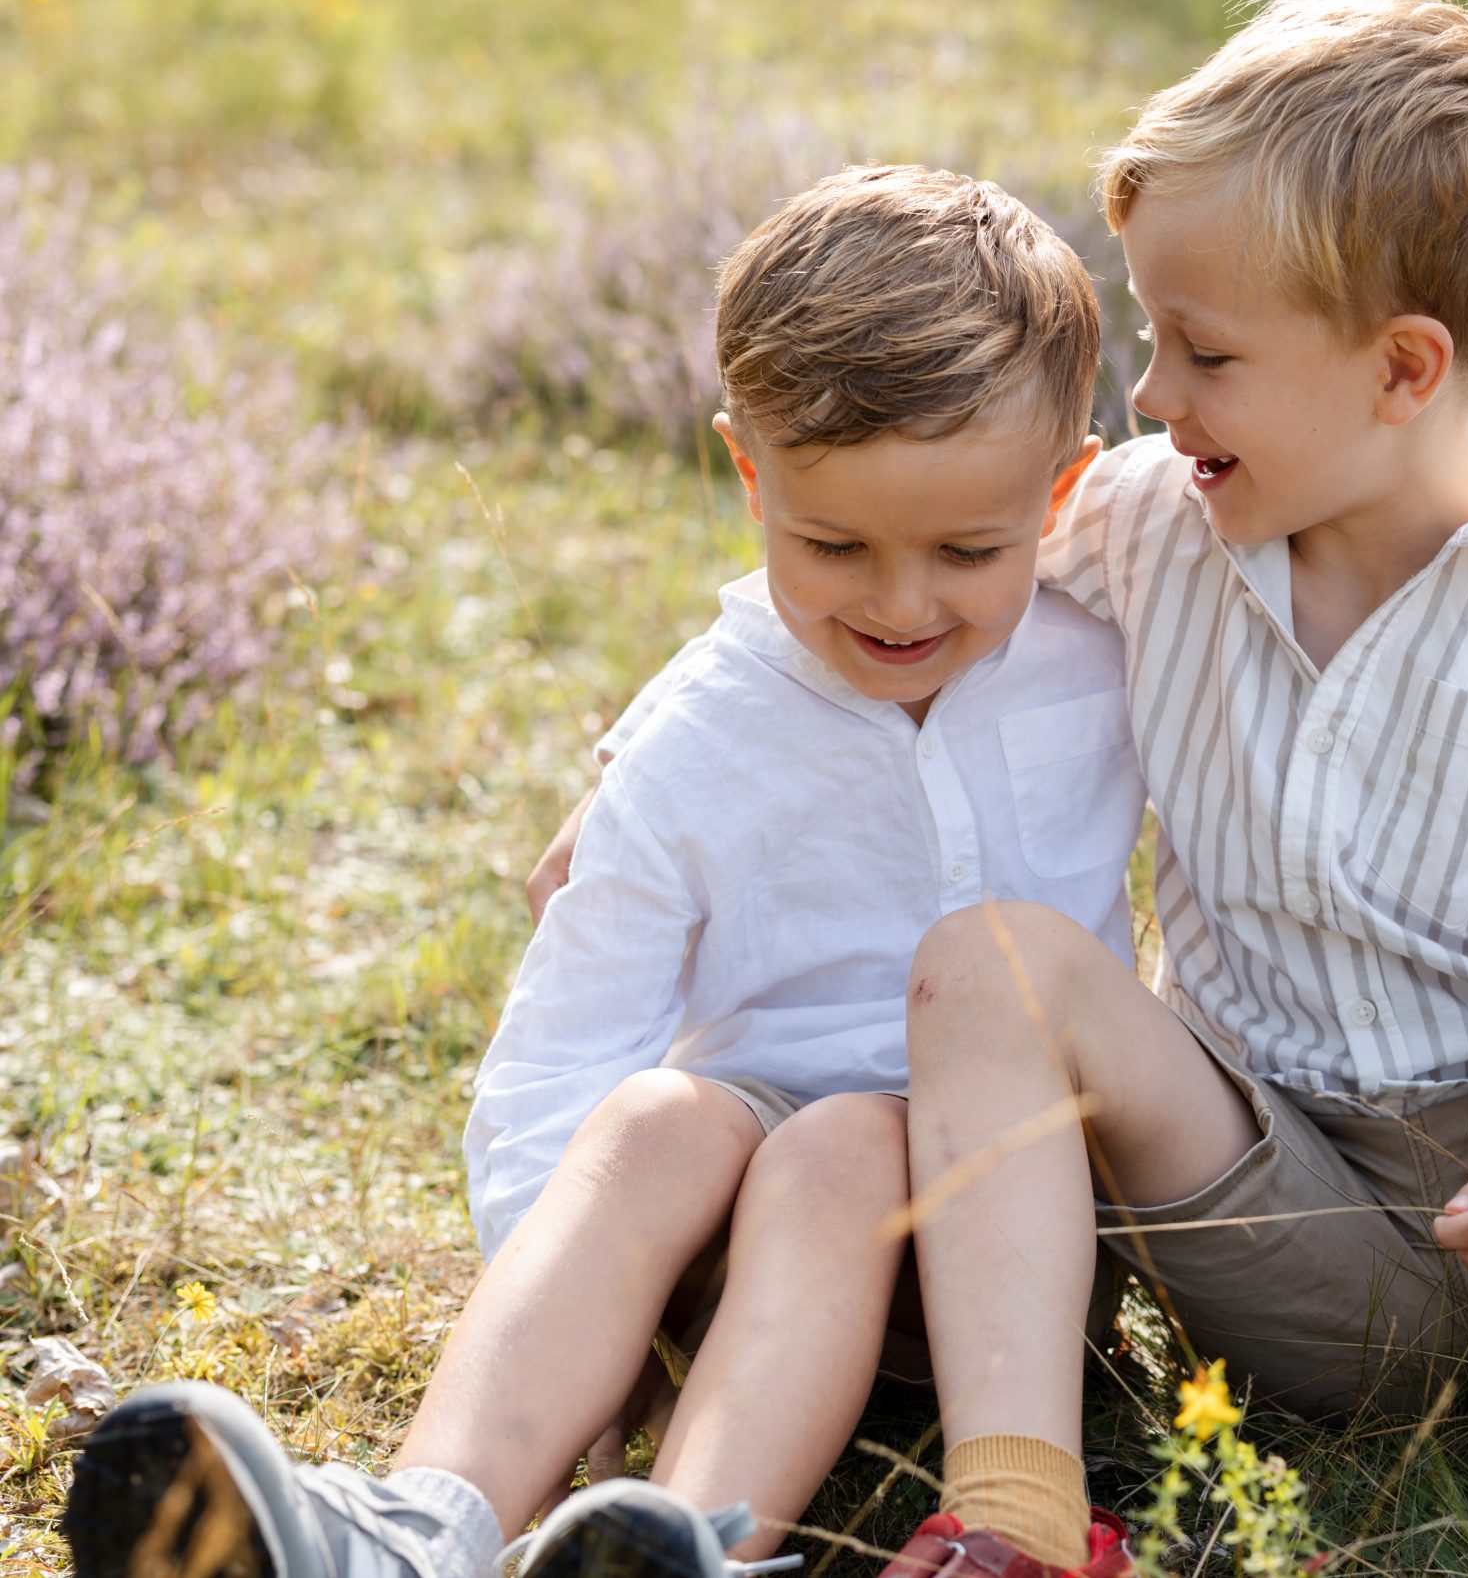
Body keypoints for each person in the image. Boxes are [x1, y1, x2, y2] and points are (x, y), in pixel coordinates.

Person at [552, 0, 1468, 1578]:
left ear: (1403, 369)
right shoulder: (1150, 525)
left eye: (1205, 351)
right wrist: (644, 762)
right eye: (1151, 337)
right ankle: (1019, 1517)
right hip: (1281, 1226)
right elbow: (898, 562)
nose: (1151, 395)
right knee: (986, 962)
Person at [62, 165, 1144, 1578]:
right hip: (732, 1255)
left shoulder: (1106, 655)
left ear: (1062, 491)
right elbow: (562, 1049)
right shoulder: (699, 739)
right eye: (833, 545)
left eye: (966, 549)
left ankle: (693, 1540)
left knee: (842, 1143)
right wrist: (586, 1311)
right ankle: (426, 1522)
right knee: (651, 1117)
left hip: (1016, 1242)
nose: (901, 601)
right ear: (748, 475)